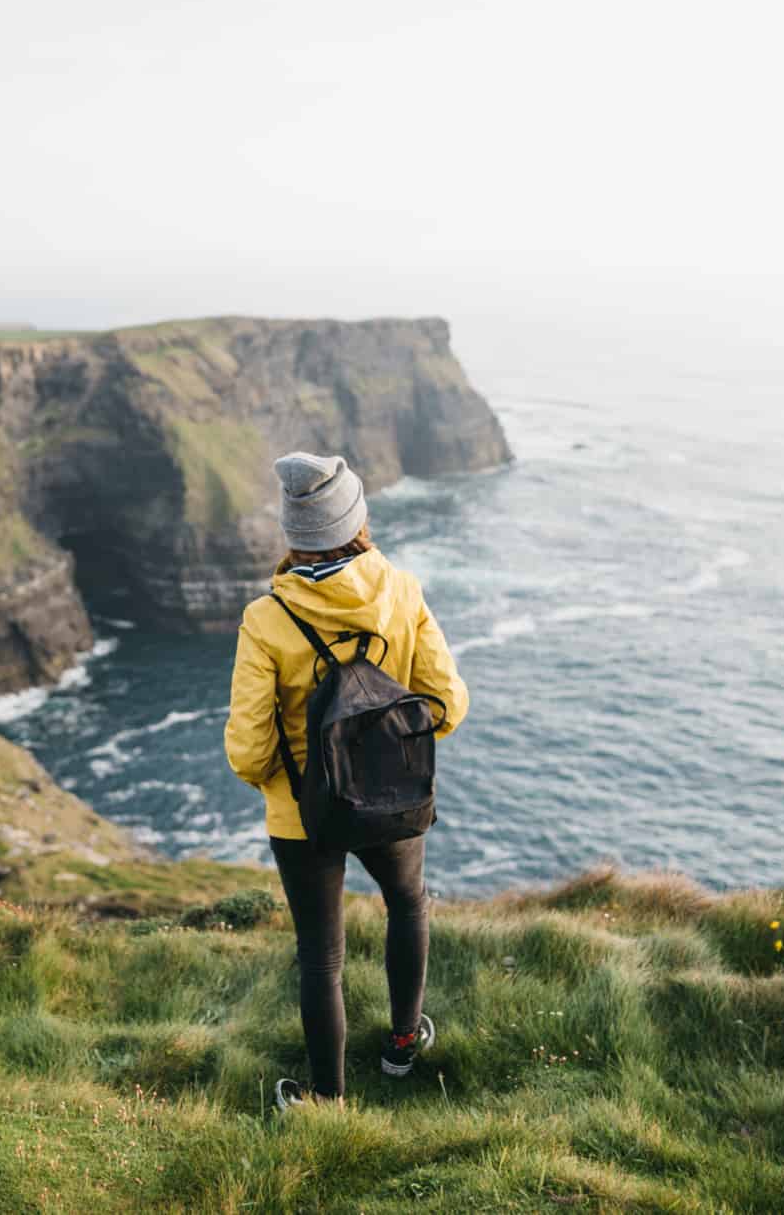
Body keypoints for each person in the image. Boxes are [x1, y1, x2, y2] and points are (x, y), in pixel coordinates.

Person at [224, 452, 470, 1110]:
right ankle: (401, 1045)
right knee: (409, 901)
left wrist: (294, 783)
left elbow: (248, 749)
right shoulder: (401, 588)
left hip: (303, 814)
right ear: (356, 517)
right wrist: (386, 752)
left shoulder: (267, 618)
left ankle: (329, 1103)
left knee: (321, 958)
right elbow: (447, 704)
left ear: (293, 533)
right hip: (390, 795)